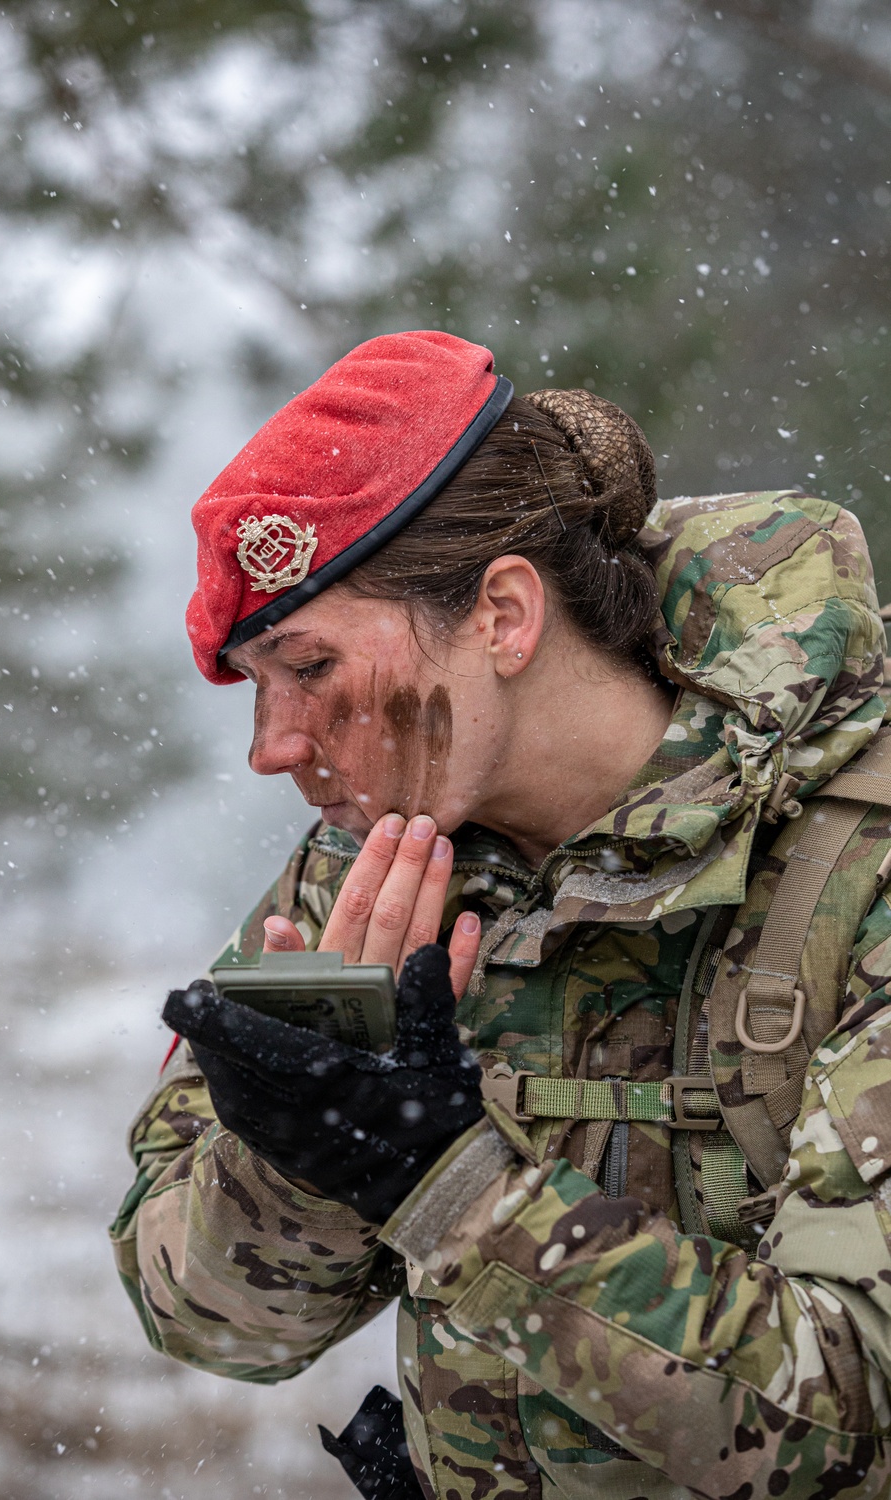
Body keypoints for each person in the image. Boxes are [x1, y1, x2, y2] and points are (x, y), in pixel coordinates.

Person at [111, 330, 891, 1499]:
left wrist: (444, 1186)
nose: (269, 748)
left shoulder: (858, 864)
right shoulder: (369, 868)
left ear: (505, 617)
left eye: (308, 669)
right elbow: (212, 1327)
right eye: (256, 689)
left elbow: (853, 1423)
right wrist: (305, 1153)